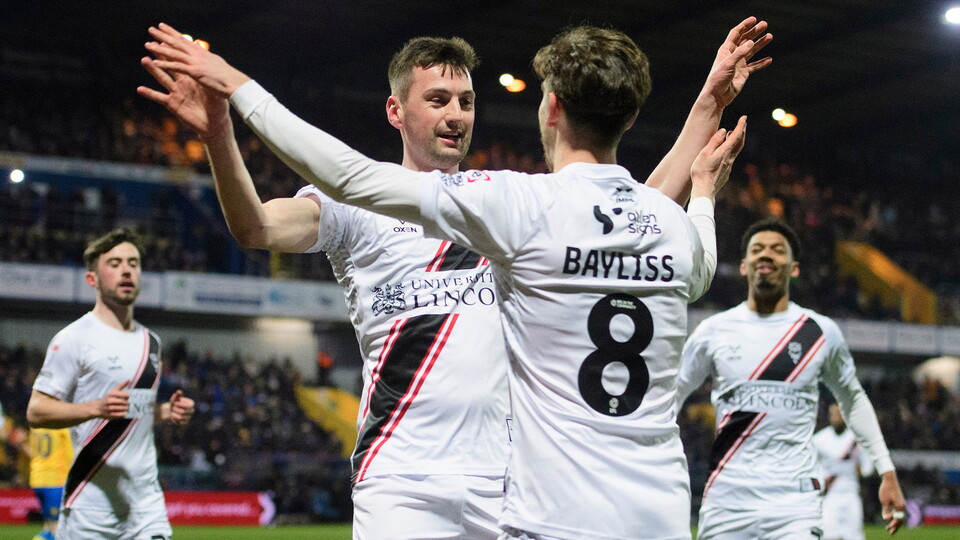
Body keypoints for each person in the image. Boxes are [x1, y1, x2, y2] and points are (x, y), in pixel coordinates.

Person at [143, 17, 759, 539]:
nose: (456, 115)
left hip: (508, 481)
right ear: (396, 110)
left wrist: (708, 107)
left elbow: (628, 212)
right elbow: (256, 229)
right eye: (437, 100)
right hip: (401, 479)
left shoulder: (513, 207)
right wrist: (222, 131)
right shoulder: (359, 210)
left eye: (465, 102)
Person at [676, 219, 906, 539]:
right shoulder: (713, 331)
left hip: (794, 504)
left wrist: (886, 469)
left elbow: (853, 400)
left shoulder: (819, 332)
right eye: (757, 250)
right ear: (744, 266)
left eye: (776, 250)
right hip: (727, 498)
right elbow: (669, 397)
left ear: (794, 268)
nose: (766, 256)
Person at [26, 228, 195, 540]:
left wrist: (164, 411)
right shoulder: (73, 339)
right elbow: (36, 411)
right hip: (90, 504)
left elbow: (130, 413)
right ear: (93, 279)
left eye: (133, 262)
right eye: (115, 263)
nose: (127, 269)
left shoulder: (151, 341)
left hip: (146, 505)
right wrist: (95, 407)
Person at [813, 402, 875, 540]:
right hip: (829, 495)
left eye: (839, 414)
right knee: (829, 535)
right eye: (833, 414)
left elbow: (868, 465)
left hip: (851, 493)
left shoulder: (856, 439)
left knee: (855, 535)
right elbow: (811, 465)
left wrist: (862, 471)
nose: (836, 417)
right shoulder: (819, 439)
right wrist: (820, 479)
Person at [25, 427, 73, 540]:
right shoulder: (62, 426)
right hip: (55, 480)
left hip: (37, 479)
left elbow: (32, 452)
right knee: (57, 529)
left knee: (48, 527)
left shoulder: (36, 426)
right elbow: (71, 452)